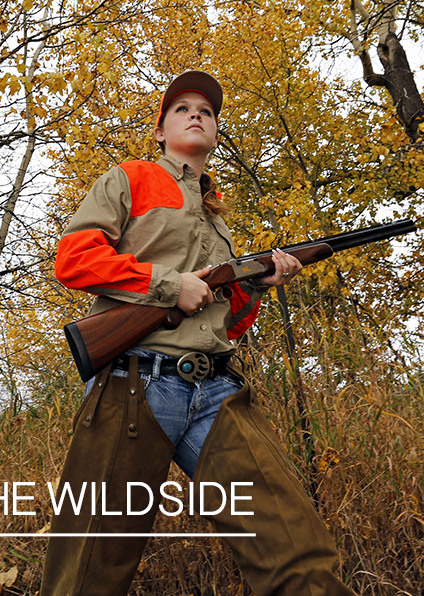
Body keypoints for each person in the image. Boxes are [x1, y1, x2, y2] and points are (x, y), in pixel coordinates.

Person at [41, 71, 355, 596]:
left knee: (300, 557)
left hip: (217, 391)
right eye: (182, 108)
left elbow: (222, 320)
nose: (196, 114)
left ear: (215, 131)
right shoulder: (130, 177)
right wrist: (168, 285)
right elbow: (74, 259)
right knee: (87, 574)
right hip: (134, 386)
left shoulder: (217, 214)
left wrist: (259, 285)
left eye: (207, 111)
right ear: (160, 130)